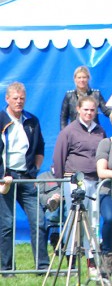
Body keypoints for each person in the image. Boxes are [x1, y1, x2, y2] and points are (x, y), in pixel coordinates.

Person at [53, 95, 106, 278]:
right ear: (78, 109)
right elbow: (59, 157)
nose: (89, 113)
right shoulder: (69, 131)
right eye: (86, 110)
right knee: (73, 219)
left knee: (92, 221)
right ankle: (71, 260)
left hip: (95, 181)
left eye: (92, 110)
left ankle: (91, 261)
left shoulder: (100, 131)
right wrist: (62, 183)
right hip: (74, 180)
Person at [0, 82, 49, 276]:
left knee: (39, 220)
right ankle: (6, 268)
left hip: (26, 178)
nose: (19, 102)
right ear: (7, 99)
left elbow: (40, 148)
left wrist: (35, 170)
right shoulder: (1, 119)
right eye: (15, 98)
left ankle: (42, 267)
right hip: (6, 178)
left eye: (22, 98)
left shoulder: (32, 121)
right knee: (7, 223)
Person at [95, 108, 112, 279]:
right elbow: (101, 171)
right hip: (108, 190)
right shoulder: (107, 143)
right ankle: (107, 256)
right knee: (110, 218)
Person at [60, 65, 111, 130]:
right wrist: (64, 133)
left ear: (88, 78)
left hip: (93, 131)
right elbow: (63, 117)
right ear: (75, 79)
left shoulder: (96, 94)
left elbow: (106, 110)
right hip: (75, 131)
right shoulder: (69, 95)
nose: (82, 80)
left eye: (84, 77)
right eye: (79, 77)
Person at [37, 165, 64, 253]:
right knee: (53, 209)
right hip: (48, 207)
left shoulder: (67, 176)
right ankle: (55, 237)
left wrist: (60, 197)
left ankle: (56, 237)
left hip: (65, 205)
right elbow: (39, 195)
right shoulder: (43, 177)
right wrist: (49, 199)